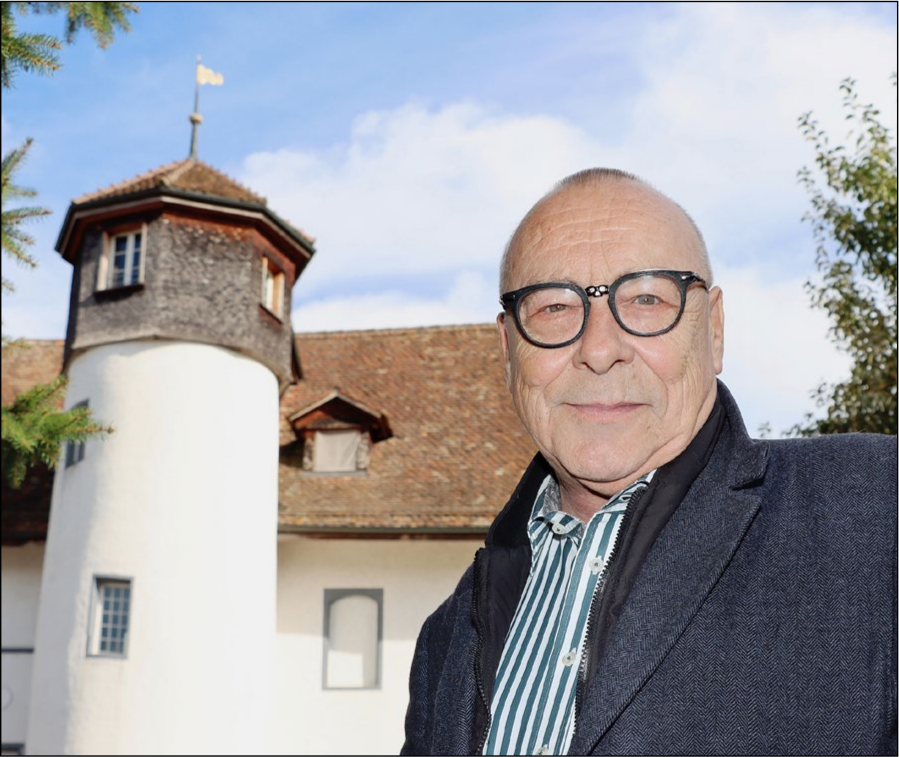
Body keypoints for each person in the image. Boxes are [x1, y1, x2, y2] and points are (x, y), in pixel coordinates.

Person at [402, 168, 897, 756]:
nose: (600, 349)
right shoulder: (446, 637)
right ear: (508, 350)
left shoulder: (876, 514)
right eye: (554, 308)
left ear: (713, 330)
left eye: (645, 298)